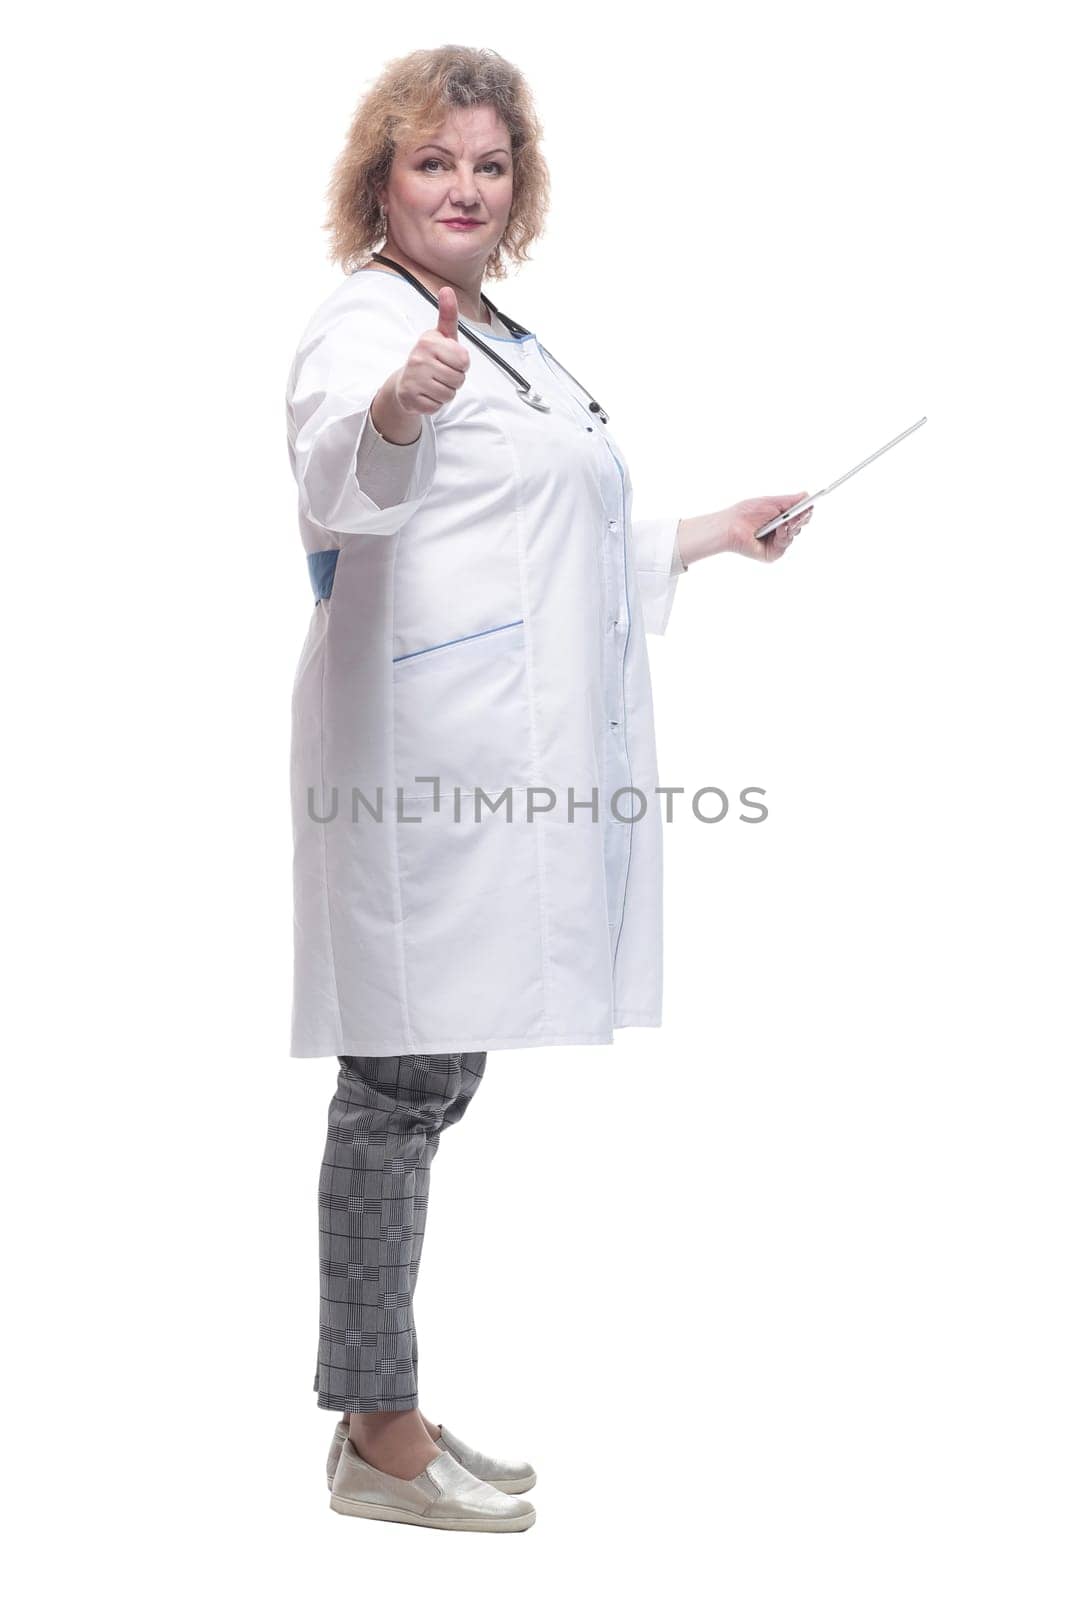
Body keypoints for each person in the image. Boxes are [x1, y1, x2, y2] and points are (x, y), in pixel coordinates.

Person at [285, 44, 812, 1534]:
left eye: (488, 164)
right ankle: (374, 1436)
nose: (464, 186)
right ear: (380, 181)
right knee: (398, 1085)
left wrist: (715, 533)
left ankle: (387, 1410)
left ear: (518, 187)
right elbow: (338, 483)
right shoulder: (361, 327)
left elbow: (553, 534)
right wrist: (394, 406)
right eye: (433, 162)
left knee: (433, 1076)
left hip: (494, 765)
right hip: (423, 768)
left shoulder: (506, 333)